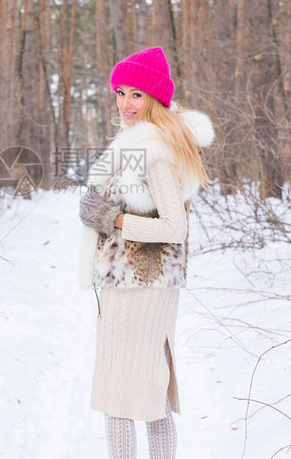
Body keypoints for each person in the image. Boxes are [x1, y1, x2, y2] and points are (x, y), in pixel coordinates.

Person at [79, 46, 214, 459]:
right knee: (147, 392)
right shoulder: (140, 144)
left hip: (139, 284)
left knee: (120, 394)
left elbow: (175, 228)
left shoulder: (154, 152)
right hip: (136, 283)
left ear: (156, 98)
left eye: (137, 94)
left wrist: (113, 221)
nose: (125, 103)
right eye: (120, 92)